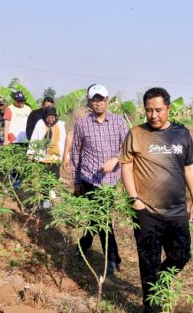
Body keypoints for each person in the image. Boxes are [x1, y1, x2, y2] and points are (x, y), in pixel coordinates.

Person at [120, 87, 193, 313]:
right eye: (148, 110)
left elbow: (189, 167)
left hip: (176, 210)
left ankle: (159, 284)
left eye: (158, 110)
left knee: (181, 255)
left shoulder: (181, 133)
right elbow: (126, 165)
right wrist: (134, 198)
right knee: (148, 261)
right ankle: (151, 308)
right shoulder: (136, 133)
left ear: (168, 108)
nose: (153, 115)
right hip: (147, 211)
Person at [71, 84, 128, 274]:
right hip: (90, 179)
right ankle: (113, 259)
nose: (98, 103)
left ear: (107, 100)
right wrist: (76, 180)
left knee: (97, 218)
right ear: (89, 102)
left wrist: (116, 159)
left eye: (102, 99)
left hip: (111, 180)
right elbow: (76, 153)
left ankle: (82, 245)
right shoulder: (82, 124)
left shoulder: (119, 122)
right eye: (95, 100)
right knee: (102, 218)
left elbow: (129, 146)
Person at [27, 106, 66, 209]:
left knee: (55, 176)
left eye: (52, 117)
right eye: (49, 117)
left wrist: (66, 156)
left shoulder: (60, 125)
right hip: (43, 157)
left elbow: (64, 140)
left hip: (55, 156)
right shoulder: (40, 123)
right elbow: (34, 138)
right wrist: (31, 154)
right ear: (45, 116)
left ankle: (50, 190)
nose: (51, 119)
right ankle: (46, 199)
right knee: (44, 179)